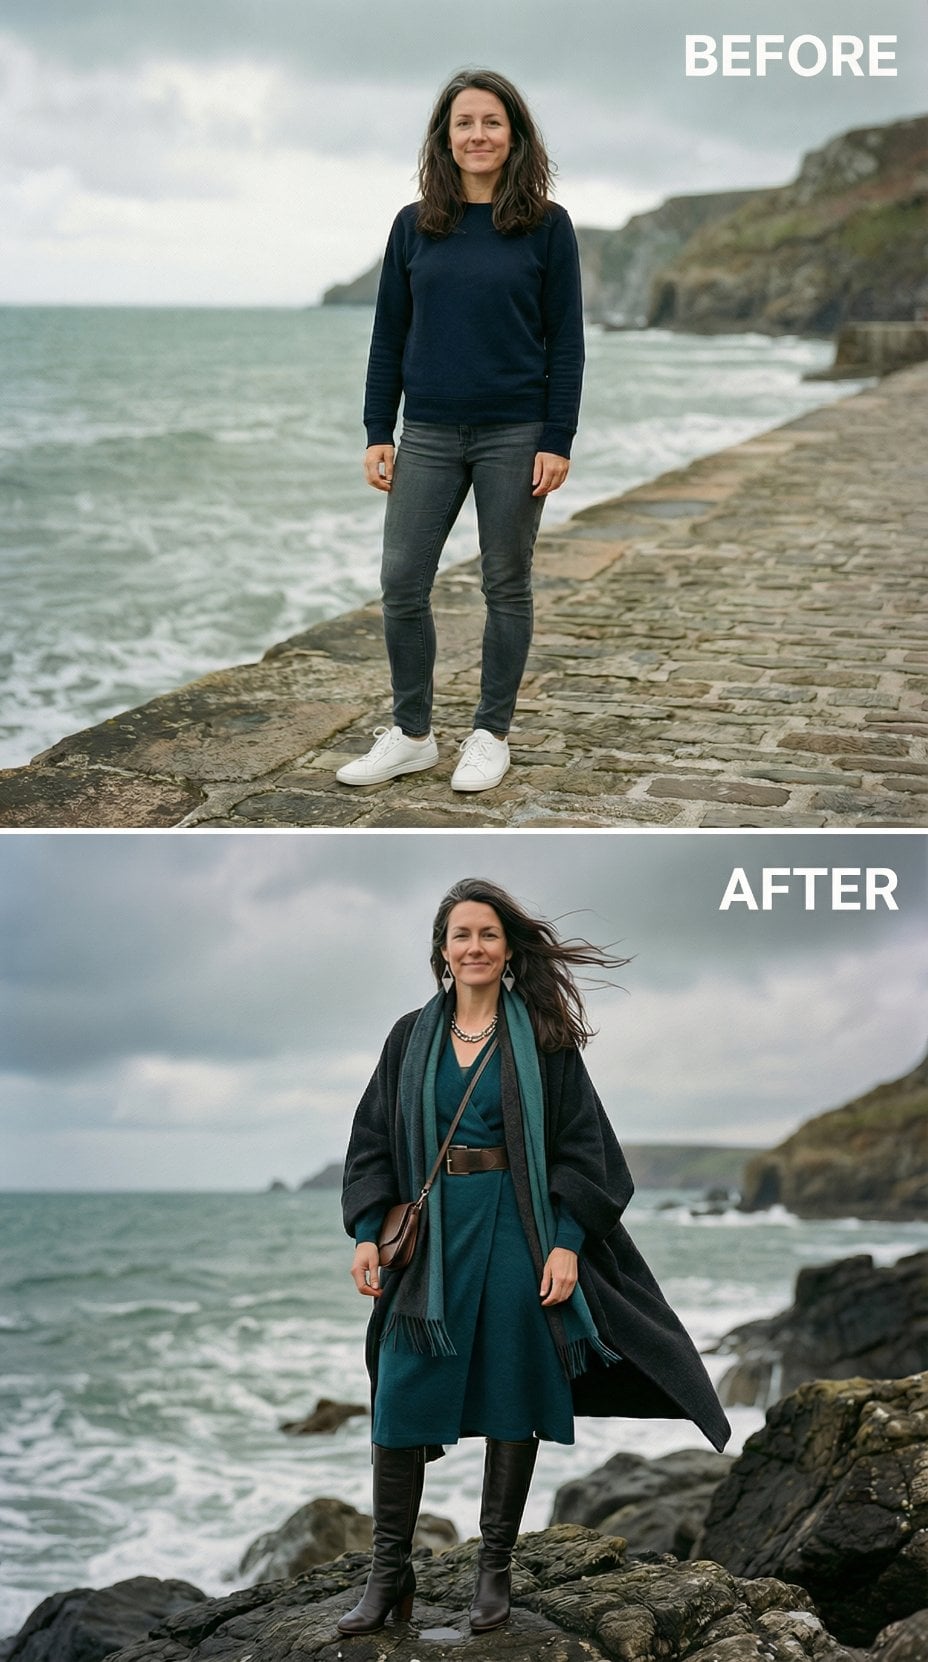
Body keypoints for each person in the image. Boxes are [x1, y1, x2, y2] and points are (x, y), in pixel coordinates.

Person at [339, 878, 731, 1636]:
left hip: (520, 1230)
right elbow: (372, 1140)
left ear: (508, 949)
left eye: (488, 934)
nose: (474, 947)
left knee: (515, 1392)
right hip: (432, 1239)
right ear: (441, 951)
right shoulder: (407, 1037)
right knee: (398, 1397)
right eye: (461, 935)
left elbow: (588, 1151)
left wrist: (566, 1244)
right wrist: (364, 1231)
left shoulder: (543, 1039)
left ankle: (494, 1569)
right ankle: (389, 1575)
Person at [336, 69, 584, 795]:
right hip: (431, 434)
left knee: (506, 584)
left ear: (515, 137)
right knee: (401, 581)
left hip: (516, 432)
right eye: (464, 123)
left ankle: (490, 732)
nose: (478, 135)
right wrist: (378, 428)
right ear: (445, 138)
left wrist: (557, 439)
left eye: (492, 123)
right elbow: (390, 335)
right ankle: (413, 733)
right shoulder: (415, 225)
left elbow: (565, 343)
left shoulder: (547, 225)